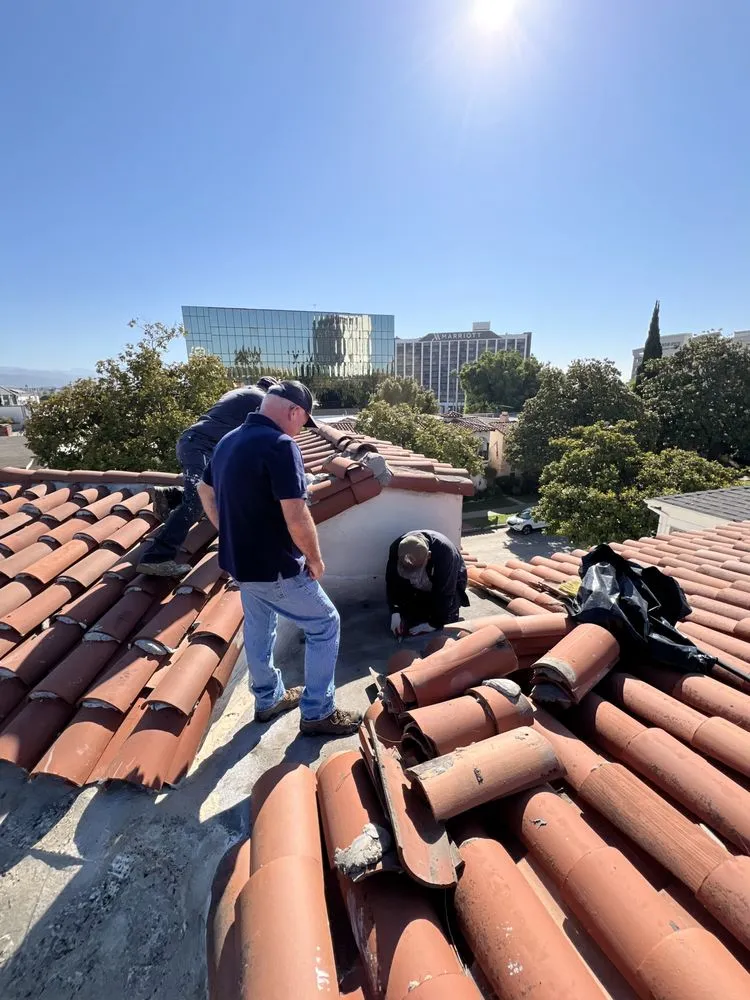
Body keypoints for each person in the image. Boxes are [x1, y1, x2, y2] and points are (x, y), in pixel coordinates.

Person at [197, 380, 362, 737]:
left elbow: (204, 489)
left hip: (240, 562)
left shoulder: (229, 440)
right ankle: (318, 712)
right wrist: (314, 559)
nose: (301, 429)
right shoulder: (280, 445)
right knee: (325, 624)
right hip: (274, 566)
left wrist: (229, 530)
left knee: (260, 626)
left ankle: (268, 699)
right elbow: (296, 513)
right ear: (293, 411)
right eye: (303, 421)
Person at [137, 376, 279, 577]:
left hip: (201, 444)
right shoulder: (259, 398)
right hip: (202, 446)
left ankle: (169, 496)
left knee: (217, 490)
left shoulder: (242, 392)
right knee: (198, 500)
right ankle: (156, 558)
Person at [386, 530, 469, 637]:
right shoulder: (396, 548)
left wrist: (434, 624)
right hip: (427, 580)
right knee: (412, 614)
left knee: (447, 613)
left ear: (429, 556)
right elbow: (392, 582)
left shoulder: (445, 553)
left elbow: (446, 591)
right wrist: (395, 611)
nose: (412, 575)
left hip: (451, 580)